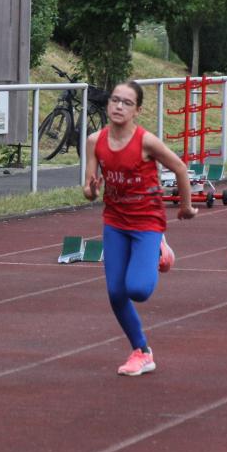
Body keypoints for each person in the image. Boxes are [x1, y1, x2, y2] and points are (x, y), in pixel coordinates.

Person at [83, 81, 197, 376]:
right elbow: (88, 189)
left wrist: (185, 207)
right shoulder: (95, 140)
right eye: (115, 100)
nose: (119, 106)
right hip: (115, 222)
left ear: (137, 111)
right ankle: (142, 351)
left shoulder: (147, 142)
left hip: (147, 221)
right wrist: (92, 190)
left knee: (138, 290)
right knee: (116, 292)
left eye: (127, 103)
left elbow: (180, 168)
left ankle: (159, 247)